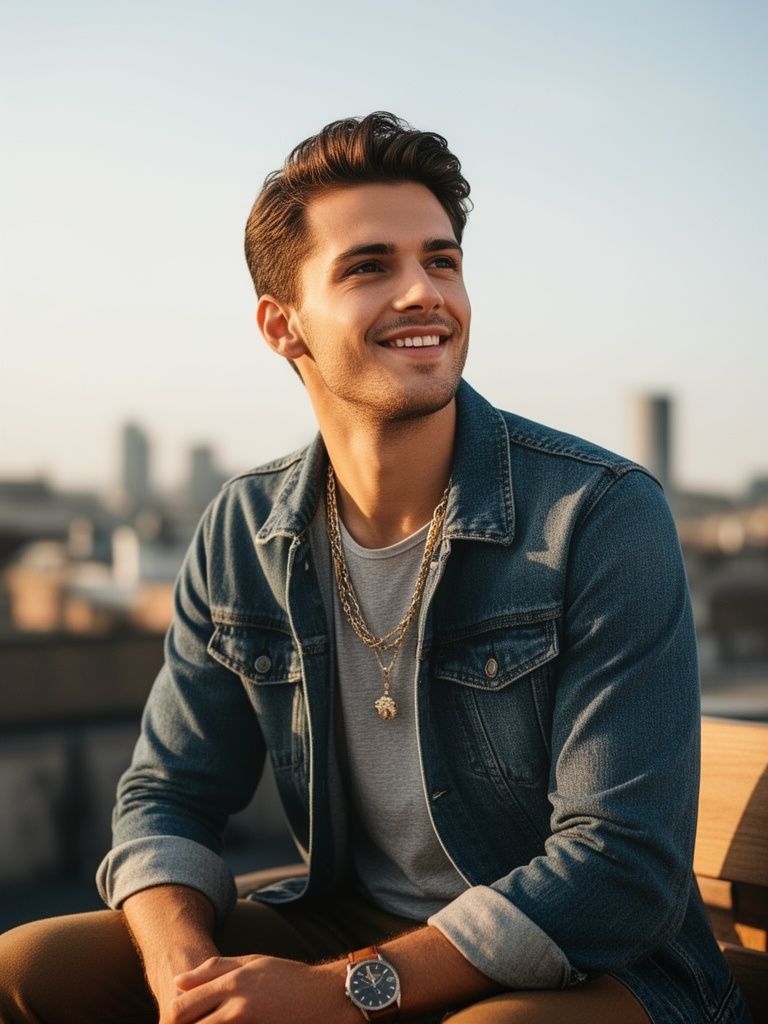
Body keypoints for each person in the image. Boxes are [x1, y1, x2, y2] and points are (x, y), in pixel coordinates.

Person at [0, 112, 751, 1024]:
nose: (423, 293)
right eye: (370, 267)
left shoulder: (598, 514)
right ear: (283, 326)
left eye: (442, 261)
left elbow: (619, 867)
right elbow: (168, 793)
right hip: (351, 921)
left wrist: (344, 994)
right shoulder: (246, 527)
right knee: (29, 967)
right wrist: (183, 975)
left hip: (596, 964)